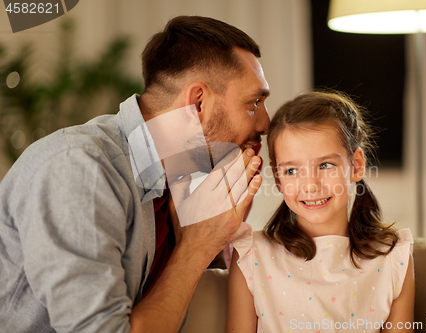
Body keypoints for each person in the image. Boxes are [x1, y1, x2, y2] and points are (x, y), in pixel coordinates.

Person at [0, 16, 270, 333]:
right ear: (198, 103)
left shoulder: (184, 169)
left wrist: (216, 240)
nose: (265, 123)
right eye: (254, 103)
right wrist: (196, 248)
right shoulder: (78, 169)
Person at [226, 91, 414, 332]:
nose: (311, 185)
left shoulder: (393, 258)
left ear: (356, 164)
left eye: (325, 165)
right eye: (292, 171)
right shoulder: (252, 256)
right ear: (277, 177)